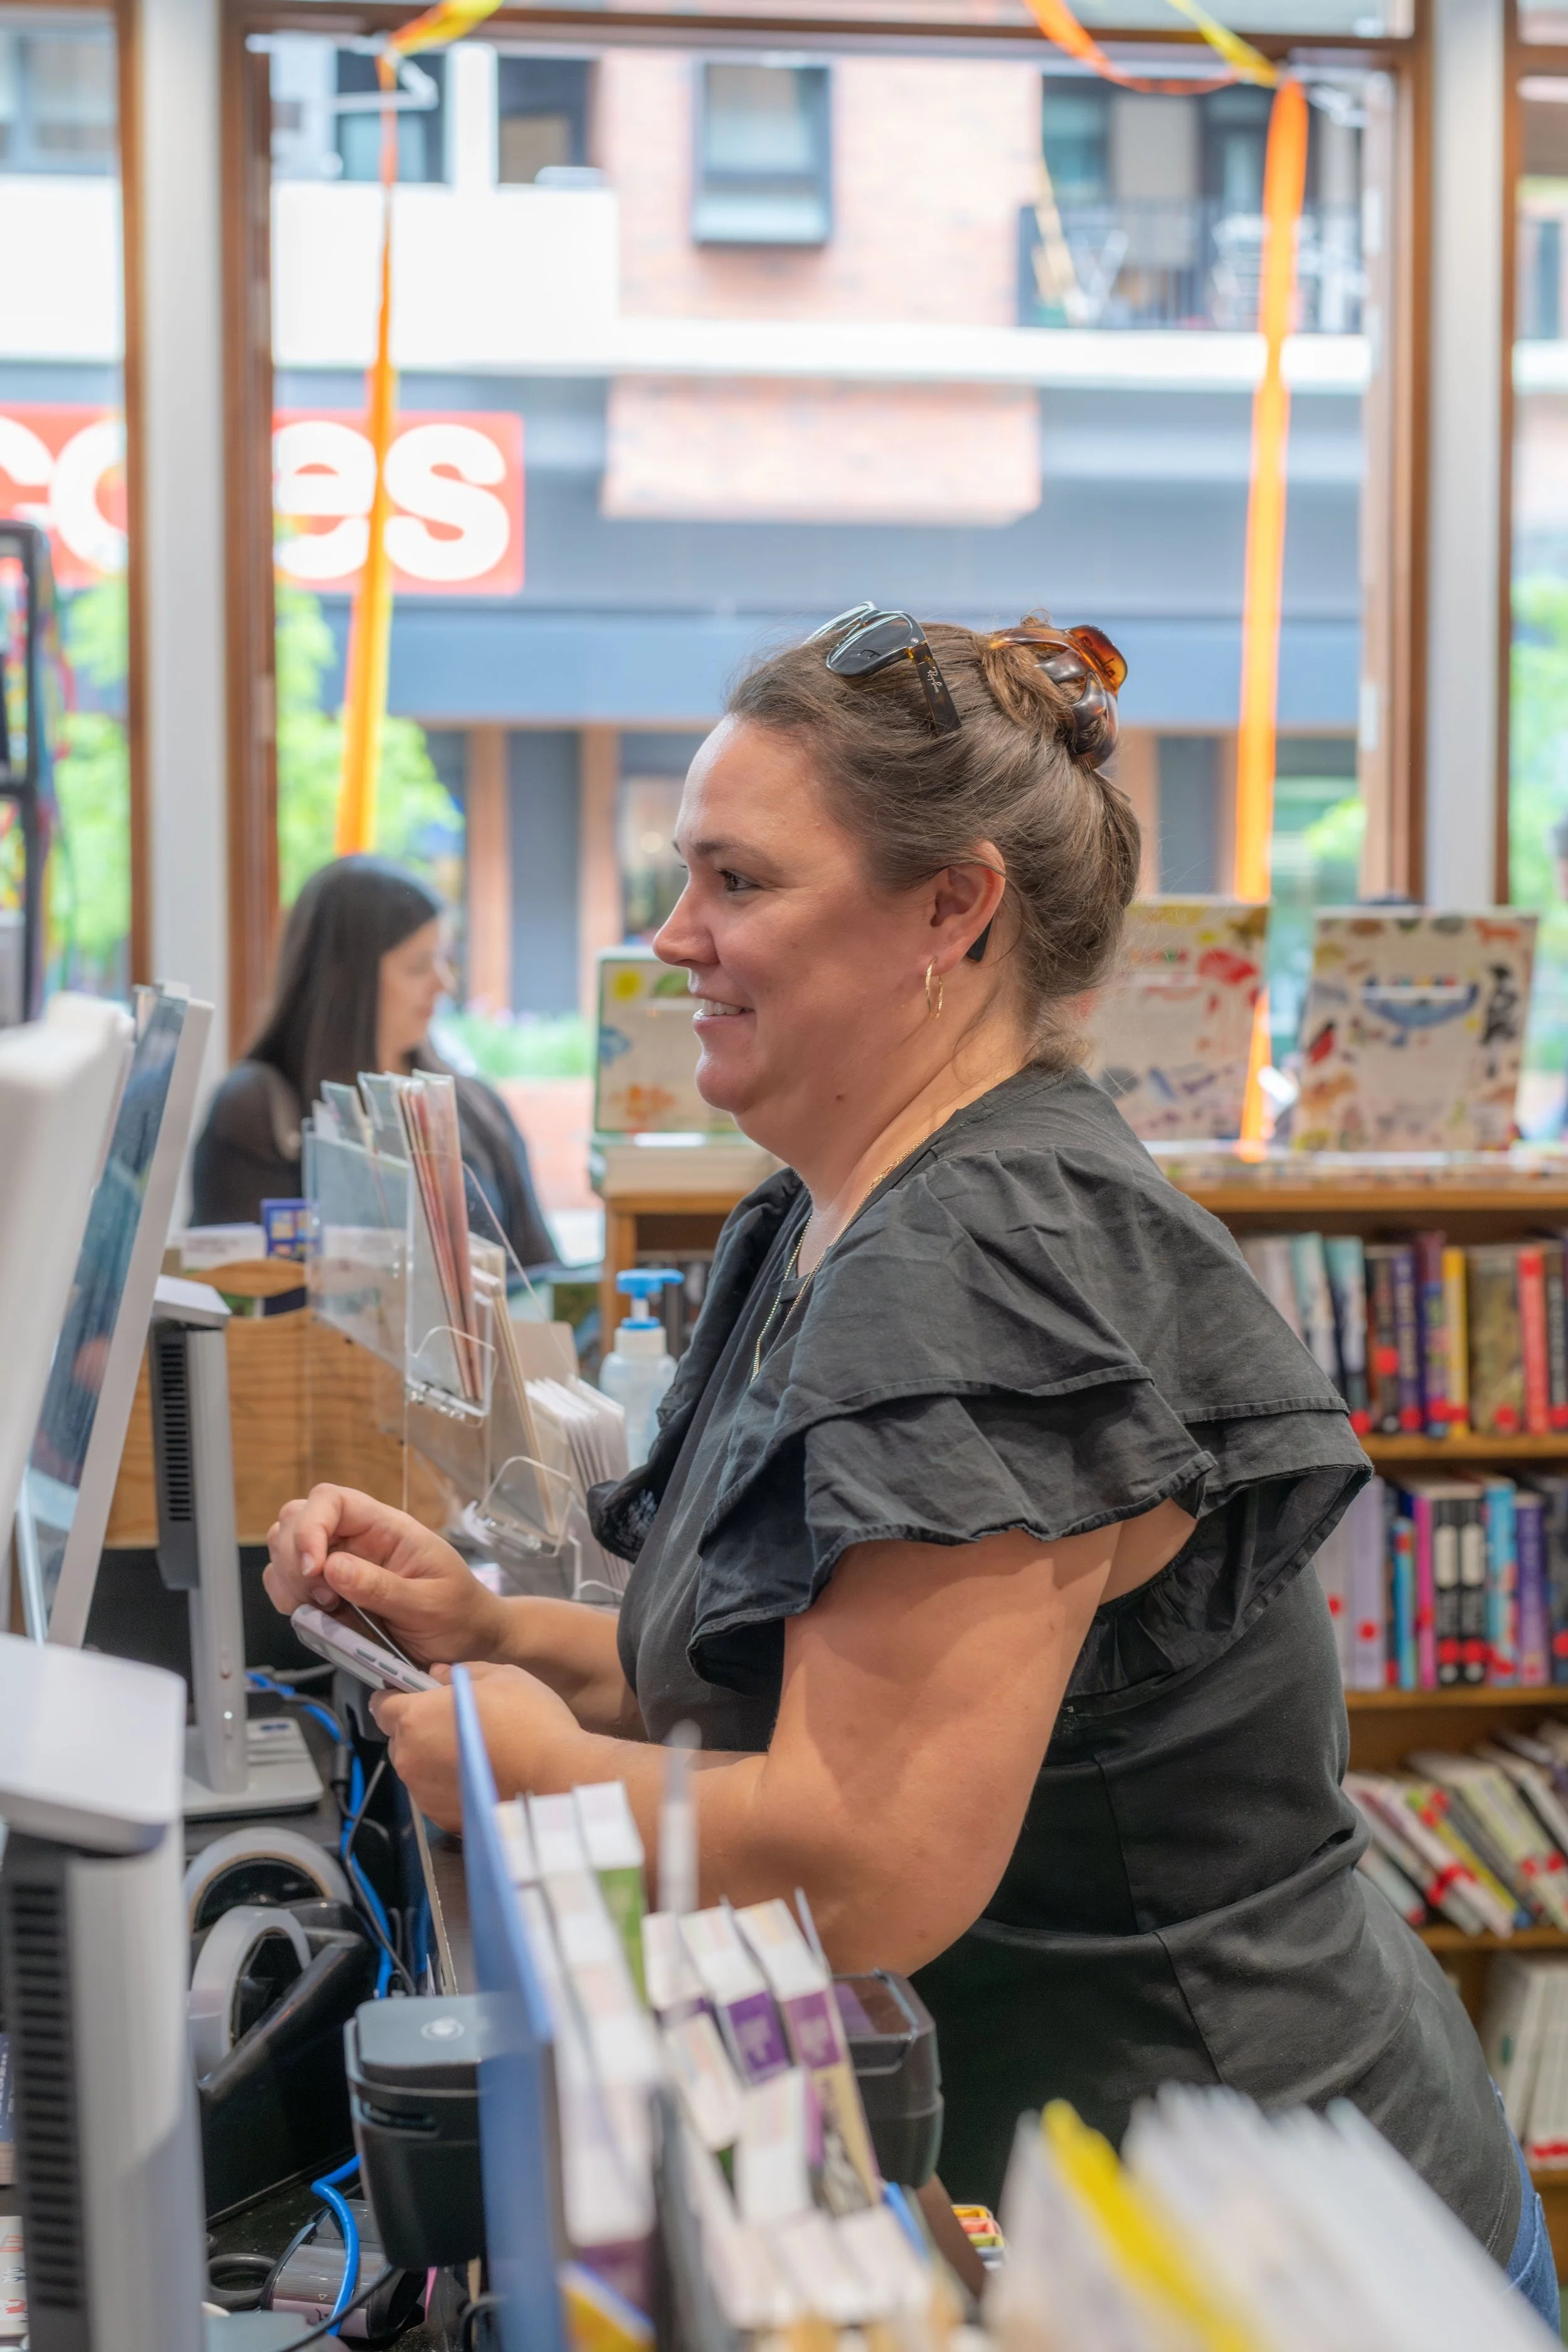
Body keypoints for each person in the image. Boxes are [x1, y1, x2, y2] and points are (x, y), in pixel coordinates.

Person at [263, 613, 1555, 2326]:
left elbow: (868, 1857)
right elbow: (770, 1659)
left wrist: (531, 1769)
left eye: (737, 879)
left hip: (1244, 2233)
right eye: (683, 873)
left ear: (951, 907)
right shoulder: (830, 1206)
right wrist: (495, 1631)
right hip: (1115, 2186)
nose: (674, 934)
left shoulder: (983, 1256)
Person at [192, 855, 555, 1273]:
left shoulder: (476, 1107)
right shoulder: (257, 1111)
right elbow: (241, 1301)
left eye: (445, 959)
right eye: (419, 966)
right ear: (347, 981)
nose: (445, 984)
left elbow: (544, 1277)